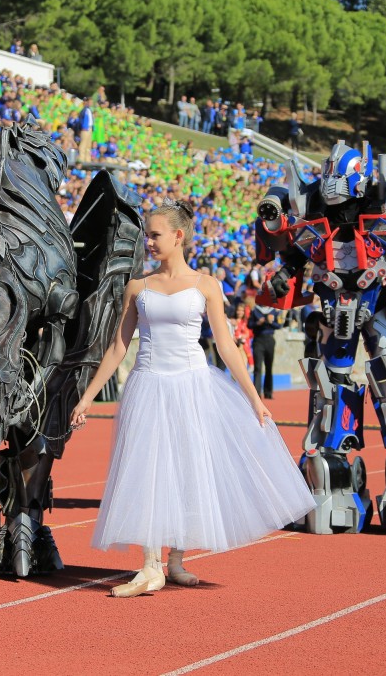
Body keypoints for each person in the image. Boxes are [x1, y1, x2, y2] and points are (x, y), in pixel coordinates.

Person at [69, 200, 313, 598]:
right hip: (148, 385)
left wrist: (254, 399)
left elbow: (227, 347)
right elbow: (117, 347)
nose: (148, 242)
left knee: (187, 470)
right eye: (147, 235)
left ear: (178, 236)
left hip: (193, 385)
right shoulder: (138, 287)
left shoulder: (207, 285)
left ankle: (176, 561)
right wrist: (87, 398)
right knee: (147, 472)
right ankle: (150, 566)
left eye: (155, 235)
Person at [249, 303, 281, 398]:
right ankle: (257, 393)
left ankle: (268, 392)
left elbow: (279, 326)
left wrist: (271, 322)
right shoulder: (255, 310)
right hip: (258, 339)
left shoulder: (273, 311)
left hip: (269, 339)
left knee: (269, 367)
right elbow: (249, 324)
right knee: (258, 367)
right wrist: (258, 323)